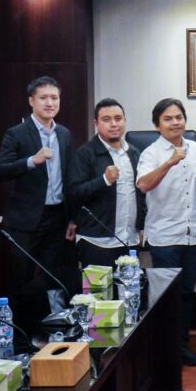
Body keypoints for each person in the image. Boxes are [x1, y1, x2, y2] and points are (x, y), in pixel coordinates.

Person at [0, 76, 76, 333]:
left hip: (57, 217)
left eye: (54, 98)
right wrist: (32, 160)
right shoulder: (16, 133)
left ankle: (50, 331)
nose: (50, 103)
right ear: (31, 101)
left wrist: (72, 218)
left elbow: (69, 178)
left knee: (53, 276)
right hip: (26, 220)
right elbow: (0, 171)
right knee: (22, 277)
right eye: (44, 98)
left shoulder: (64, 134)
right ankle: (20, 333)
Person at [137, 98, 196, 367]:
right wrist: (169, 162)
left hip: (194, 234)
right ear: (157, 125)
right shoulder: (150, 153)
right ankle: (164, 351)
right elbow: (143, 185)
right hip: (165, 236)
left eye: (179, 117)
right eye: (168, 118)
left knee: (187, 294)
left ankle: (181, 345)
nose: (175, 122)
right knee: (166, 297)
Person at [68, 98, 144, 269]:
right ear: (96, 123)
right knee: (97, 287)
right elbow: (74, 193)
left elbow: (141, 194)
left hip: (129, 240)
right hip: (96, 242)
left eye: (118, 118)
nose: (114, 124)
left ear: (125, 120)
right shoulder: (85, 153)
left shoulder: (134, 153)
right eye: (106, 119)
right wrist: (103, 180)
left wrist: (141, 224)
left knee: (128, 286)